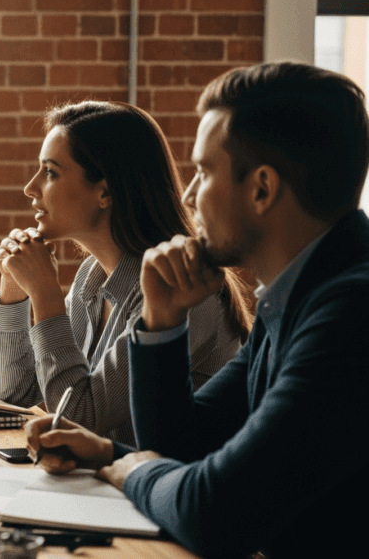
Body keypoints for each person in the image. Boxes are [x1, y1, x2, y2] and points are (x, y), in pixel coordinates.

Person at [26, 62, 369, 558]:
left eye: (204, 172)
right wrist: (160, 326)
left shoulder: (350, 316)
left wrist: (134, 469)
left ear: (262, 189)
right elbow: (187, 445)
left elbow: (219, 512)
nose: (188, 195)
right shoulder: (297, 295)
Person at [0, 101, 249, 445]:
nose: (30, 188)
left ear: (105, 192)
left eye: (50, 172)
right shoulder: (91, 277)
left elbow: (79, 419)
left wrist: (45, 295)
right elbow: (12, 391)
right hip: (106, 485)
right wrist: (14, 287)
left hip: (157, 491)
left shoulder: (183, 289)